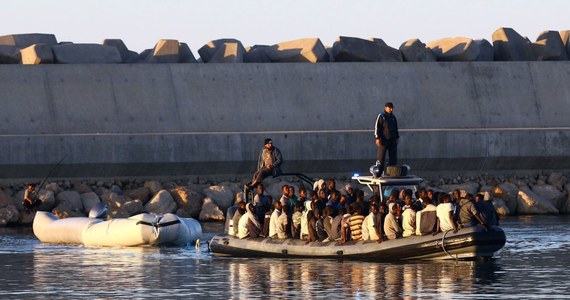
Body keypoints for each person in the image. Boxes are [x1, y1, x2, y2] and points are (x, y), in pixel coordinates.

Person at [374, 102, 399, 173]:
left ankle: (391, 173)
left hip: (392, 140)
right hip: (383, 140)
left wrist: (397, 137)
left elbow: (396, 128)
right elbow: (377, 127)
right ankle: (378, 173)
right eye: (389, 108)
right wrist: (377, 138)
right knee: (381, 158)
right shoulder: (381, 116)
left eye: (392, 108)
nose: (391, 109)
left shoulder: (393, 117)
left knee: (393, 158)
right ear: (386, 108)